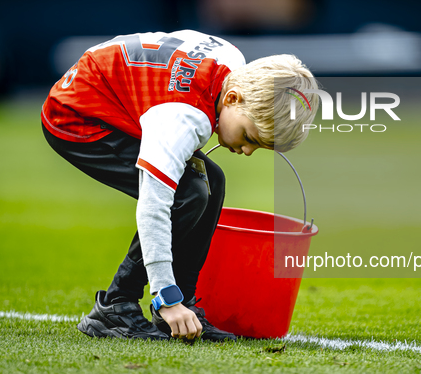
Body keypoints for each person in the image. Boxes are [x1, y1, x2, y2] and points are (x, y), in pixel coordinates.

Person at [41, 29, 318, 342]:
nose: (248, 151)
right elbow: (153, 205)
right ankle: (117, 305)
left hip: (114, 93)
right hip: (78, 116)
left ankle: (184, 303)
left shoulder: (231, 64)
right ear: (232, 98)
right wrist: (164, 296)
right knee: (188, 193)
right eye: (250, 138)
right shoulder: (184, 117)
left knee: (212, 181)